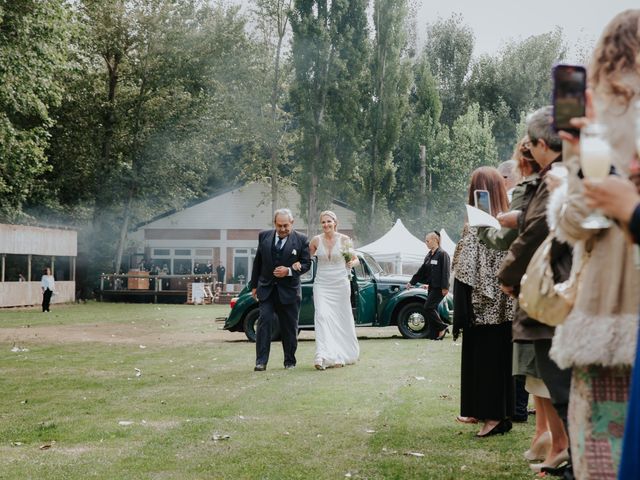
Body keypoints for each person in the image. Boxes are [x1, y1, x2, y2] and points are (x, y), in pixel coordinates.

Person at [547, 10, 640, 478]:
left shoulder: (595, 108)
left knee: (602, 458)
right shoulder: (603, 109)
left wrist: (581, 165)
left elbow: (575, 221)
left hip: (605, 310)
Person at [498, 106, 572, 474]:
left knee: (560, 386)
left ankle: (569, 456)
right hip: (561, 288)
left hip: (553, 292)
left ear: (543, 144)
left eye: (532, 144)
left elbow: (539, 229)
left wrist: (508, 274)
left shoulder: (557, 174)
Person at [452, 166, 515, 438]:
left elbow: (470, 263)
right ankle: (482, 410)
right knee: (486, 358)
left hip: (488, 302)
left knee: (489, 360)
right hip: (493, 299)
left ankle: (494, 416)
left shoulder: (488, 223)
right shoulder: (494, 221)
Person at [250, 208, 311, 371]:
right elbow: (258, 262)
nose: (283, 229)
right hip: (266, 289)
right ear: (274, 224)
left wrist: (289, 271)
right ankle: (261, 362)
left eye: (286, 225)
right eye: (279, 226)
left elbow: (306, 264)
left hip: (289, 291)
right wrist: (254, 286)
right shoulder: (263, 236)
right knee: (264, 322)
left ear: (292, 223)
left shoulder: (302, 240)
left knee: (289, 327)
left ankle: (289, 361)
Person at [309, 210, 360, 370]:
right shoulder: (316, 241)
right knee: (322, 316)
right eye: (323, 222)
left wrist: (352, 264)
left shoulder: (344, 240)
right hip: (322, 284)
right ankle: (322, 356)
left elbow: (355, 259)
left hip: (340, 284)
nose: (326, 225)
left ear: (335, 223)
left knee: (339, 318)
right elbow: (305, 259)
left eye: (329, 221)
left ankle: (339, 355)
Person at [406, 231, 450, 340]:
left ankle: (442, 327)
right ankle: (435, 334)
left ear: (435, 240)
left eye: (427, 240)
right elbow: (422, 270)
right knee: (433, 308)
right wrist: (412, 282)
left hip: (440, 287)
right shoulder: (429, 255)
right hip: (431, 286)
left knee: (428, 307)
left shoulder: (442, 254)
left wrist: (445, 287)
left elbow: (446, 272)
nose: (426, 242)